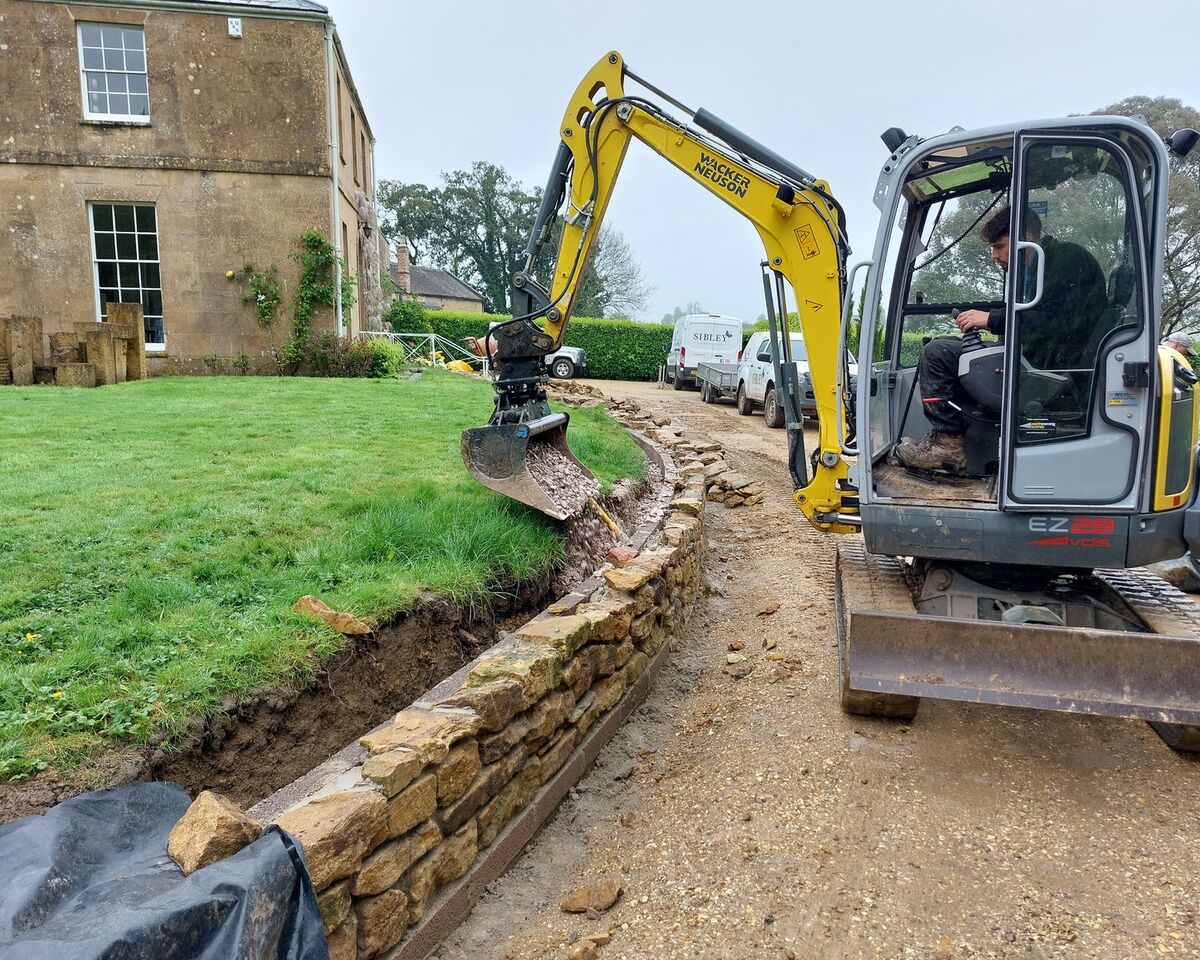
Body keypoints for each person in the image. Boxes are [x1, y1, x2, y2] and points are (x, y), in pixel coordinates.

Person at [895, 204, 1108, 473]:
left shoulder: (1068, 261)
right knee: (950, 346)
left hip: (1052, 367)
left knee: (938, 353)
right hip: (1035, 355)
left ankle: (948, 443)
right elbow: (1037, 318)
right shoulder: (1034, 270)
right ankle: (946, 439)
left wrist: (992, 319)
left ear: (1026, 239)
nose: (994, 255)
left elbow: (1064, 324)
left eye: (999, 246)